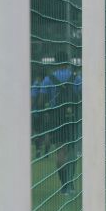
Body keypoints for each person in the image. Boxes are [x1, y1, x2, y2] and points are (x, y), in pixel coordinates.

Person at [41, 62, 77, 195]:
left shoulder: (48, 79)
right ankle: (71, 182)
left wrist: (43, 112)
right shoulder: (76, 78)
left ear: (56, 63)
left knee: (60, 151)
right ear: (67, 63)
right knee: (72, 151)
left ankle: (64, 185)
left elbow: (41, 99)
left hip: (56, 118)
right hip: (72, 117)